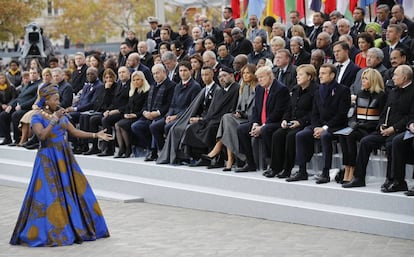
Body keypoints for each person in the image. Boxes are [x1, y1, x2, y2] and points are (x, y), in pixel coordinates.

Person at [9, 84, 111, 246]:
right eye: (55, 99)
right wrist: (54, 119)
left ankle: (77, 226)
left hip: (65, 157)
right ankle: (54, 231)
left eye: (58, 98)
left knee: (75, 192)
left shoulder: (61, 114)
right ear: (46, 100)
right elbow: (42, 136)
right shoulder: (36, 117)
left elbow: (74, 132)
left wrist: (95, 134)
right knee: (50, 195)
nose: (59, 101)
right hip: (48, 158)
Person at [344, 65, 414, 189]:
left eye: (396, 75)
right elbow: (384, 112)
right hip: (384, 129)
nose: (393, 77)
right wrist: (381, 125)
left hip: (400, 130)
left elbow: (410, 116)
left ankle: (393, 179)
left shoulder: (412, 92)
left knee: (391, 144)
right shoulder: (393, 91)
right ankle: (359, 178)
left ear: (404, 77)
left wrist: (394, 128)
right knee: (366, 141)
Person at [288, 64, 350, 183]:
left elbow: (341, 114)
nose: (320, 76)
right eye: (320, 73)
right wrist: (317, 127)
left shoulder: (343, 90)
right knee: (301, 135)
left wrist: (324, 128)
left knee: (325, 136)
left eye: (323, 73)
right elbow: (314, 112)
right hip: (319, 125)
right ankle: (302, 171)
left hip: (336, 125)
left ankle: (325, 173)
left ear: (332, 75)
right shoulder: (318, 90)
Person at [263, 64, 317, 178]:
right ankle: (275, 167)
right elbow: (289, 108)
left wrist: (301, 122)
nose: (297, 77)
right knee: (277, 134)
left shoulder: (315, 91)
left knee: (291, 136)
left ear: (309, 77)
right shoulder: (296, 89)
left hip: (306, 123)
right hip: (291, 122)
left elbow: (314, 112)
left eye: (301, 74)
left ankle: (288, 169)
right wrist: (284, 119)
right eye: (297, 75)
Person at [203, 64, 258, 171]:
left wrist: (242, 114)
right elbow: (240, 107)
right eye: (244, 73)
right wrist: (238, 112)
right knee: (227, 119)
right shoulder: (244, 87)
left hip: (251, 119)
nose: (245, 75)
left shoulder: (256, 88)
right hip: (242, 118)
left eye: (248, 73)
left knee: (226, 119)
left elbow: (255, 110)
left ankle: (223, 155)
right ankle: (229, 159)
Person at [236, 66, 290, 172]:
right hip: (261, 121)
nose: (259, 80)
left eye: (262, 77)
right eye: (258, 77)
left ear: (270, 77)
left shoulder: (281, 89)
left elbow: (278, 112)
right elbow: (256, 108)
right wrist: (255, 123)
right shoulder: (259, 88)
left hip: (276, 122)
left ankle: (272, 163)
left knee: (266, 130)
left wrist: (262, 126)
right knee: (241, 129)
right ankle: (250, 163)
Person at [339, 69, 386, 184]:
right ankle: (348, 167)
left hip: (372, 129)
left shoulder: (381, 96)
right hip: (360, 127)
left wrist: (363, 125)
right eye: (362, 79)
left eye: (366, 79)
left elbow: (382, 117)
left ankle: (354, 171)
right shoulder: (360, 93)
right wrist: (353, 123)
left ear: (373, 80)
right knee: (344, 135)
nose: (363, 81)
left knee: (354, 136)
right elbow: (354, 115)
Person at [114, 71, 150, 158]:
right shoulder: (133, 91)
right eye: (134, 80)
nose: (136, 82)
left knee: (122, 124)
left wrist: (136, 115)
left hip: (139, 116)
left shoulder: (146, 91)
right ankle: (122, 147)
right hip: (131, 115)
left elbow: (145, 107)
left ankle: (128, 148)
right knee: (117, 125)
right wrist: (126, 114)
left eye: (138, 79)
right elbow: (128, 105)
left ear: (142, 80)